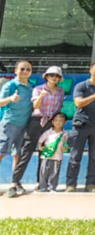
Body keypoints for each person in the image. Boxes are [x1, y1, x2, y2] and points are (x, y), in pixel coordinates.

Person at [12, 66, 65, 196]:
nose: (54, 77)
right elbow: (35, 105)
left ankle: (41, 183)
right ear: (46, 76)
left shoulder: (60, 91)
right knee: (26, 151)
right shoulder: (38, 89)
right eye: (51, 75)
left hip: (50, 123)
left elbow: (58, 109)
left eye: (57, 76)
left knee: (46, 154)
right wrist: (41, 96)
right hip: (36, 121)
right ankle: (15, 182)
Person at [66, 61, 95, 193]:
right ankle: (71, 184)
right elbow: (78, 103)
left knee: (94, 157)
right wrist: (93, 96)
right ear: (90, 69)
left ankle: (91, 184)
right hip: (81, 125)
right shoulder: (81, 86)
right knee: (75, 156)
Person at [0, 60, 34, 198]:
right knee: (1, 152)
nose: (25, 71)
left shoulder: (32, 87)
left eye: (28, 69)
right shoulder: (10, 85)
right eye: (22, 69)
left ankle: (15, 182)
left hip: (24, 126)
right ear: (15, 71)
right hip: (9, 124)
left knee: (17, 155)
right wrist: (11, 98)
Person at [35, 112, 68, 192]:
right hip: (46, 155)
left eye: (60, 121)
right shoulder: (48, 132)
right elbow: (40, 140)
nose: (58, 122)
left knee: (55, 172)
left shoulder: (65, 134)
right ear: (52, 122)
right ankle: (43, 187)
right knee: (43, 171)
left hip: (58, 157)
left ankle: (52, 187)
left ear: (64, 123)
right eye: (56, 120)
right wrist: (40, 147)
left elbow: (66, 144)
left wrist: (65, 148)